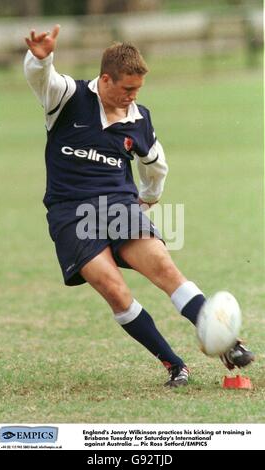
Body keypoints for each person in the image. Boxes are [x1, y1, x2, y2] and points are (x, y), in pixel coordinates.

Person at [24, 25, 254, 388]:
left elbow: (156, 166)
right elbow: (42, 78)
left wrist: (147, 198)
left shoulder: (138, 119)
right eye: (127, 88)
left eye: (138, 89)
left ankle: (227, 343)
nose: (133, 96)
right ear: (105, 79)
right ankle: (175, 365)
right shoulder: (66, 97)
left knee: (164, 267)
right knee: (114, 290)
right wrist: (42, 58)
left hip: (118, 205)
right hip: (70, 212)